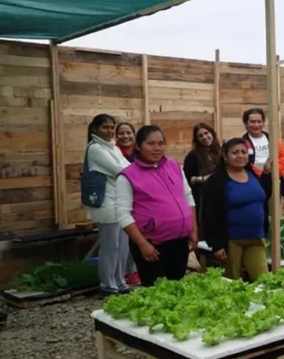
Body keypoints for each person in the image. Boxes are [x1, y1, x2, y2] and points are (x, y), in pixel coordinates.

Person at [115, 125, 198, 287]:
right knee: (155, 290)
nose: (157, 148)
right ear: (138, 146)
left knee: (177, 287)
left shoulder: (173, 165)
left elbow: (188, 196)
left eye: (160, 143)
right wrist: (142, 244)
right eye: (150, 144)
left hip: (180, 242)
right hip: (153, 246)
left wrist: (194, 230)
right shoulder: (128, 176)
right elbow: (122, 213)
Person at [202, 137, 272, 281]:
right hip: (231, 242)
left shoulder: (253, 175)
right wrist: (217, 245)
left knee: (263, 280)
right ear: (225, 156)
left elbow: (263, 196)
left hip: (256, 238)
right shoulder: (216, 181)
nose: (240, 156)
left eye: (244, 152)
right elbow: (208, 215)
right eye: (235, 152)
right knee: (233, 282)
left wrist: (266, 174)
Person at [83, 114, 132, 295]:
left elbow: (128, 166)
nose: (110, 131)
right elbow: (120, 170)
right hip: (106, 203)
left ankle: (120, 281)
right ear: (95, 129)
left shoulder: (113, 147)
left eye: (112, 127)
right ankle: (107, 284)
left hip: (120, 202)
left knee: (123, 246)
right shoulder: (95, 148)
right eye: (105, 127)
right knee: (111, 246)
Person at [241, 108, 284, 199]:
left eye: (259, 121)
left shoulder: (272, 139)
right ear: (246, 124)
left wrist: (274, 171)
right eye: (252, 122)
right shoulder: (242, 143)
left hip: (275, 180)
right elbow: (245, 164)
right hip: (255, 182)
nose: (256, 125)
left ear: (263, 123)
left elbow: (283, 157)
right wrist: (262, 172)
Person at [114, 121, 140, 285]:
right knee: (124, 240)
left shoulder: (138, 153)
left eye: (128, 133)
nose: (125, 136)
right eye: (121, 133)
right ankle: (125, 273)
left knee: (136, 237)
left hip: (139, 201)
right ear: (116, 136)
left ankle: (133, 270)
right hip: (122, 200)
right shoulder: (115, 153)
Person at [183, 123, 221, 230]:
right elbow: (187, 180)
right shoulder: (193, 156)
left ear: (212, 133)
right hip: (202, 199)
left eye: (206, 133)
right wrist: (205, 178)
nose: (205, 137)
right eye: (200, 136)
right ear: (197, 140)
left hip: (221, 196)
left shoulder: (221, 152)